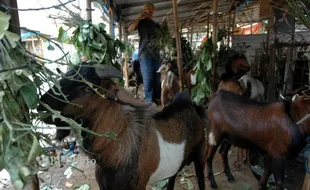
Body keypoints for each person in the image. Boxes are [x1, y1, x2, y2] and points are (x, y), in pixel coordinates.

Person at [128, 3, 161, 104]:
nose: (149, 10)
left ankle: (157, 99)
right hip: (145, 54)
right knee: (148, 79)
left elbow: (161, 39)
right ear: (144, 10)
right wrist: (139, 17)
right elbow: (130, 29)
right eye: (147, 9)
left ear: (153, 11)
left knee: (156, 80)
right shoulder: (141, 22)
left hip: (156, 55)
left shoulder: (156, 25)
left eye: (151, 9)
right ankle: (149, 102)